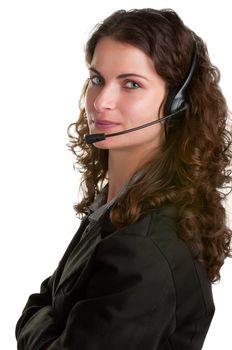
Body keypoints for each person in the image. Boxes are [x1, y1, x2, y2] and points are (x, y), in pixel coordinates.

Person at [15, 8, 232, 350]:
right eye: (98, 79)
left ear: (177, 102)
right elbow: (46, 301)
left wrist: (38, 323)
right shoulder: (119, 203)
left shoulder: (145, 246)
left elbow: (37, 311)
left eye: (131, 84)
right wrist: (46, 320)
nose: (101, 102)